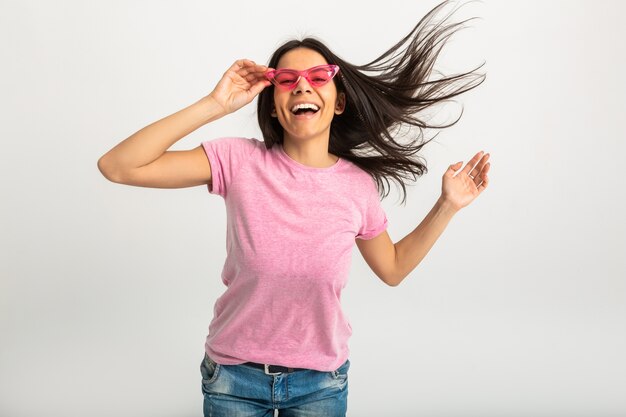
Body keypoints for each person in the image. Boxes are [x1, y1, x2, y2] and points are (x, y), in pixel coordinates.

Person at [97, 1, 491, 415]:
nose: (303, 86)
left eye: (318, 77)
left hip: (320, 383)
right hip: (234, 379)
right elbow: (119, 166)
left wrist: (447, 205)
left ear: (337, 102)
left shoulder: (357, 187)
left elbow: (392, 269)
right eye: (287, 80)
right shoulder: (238, 161)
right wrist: (215, 104)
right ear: (271, 104)